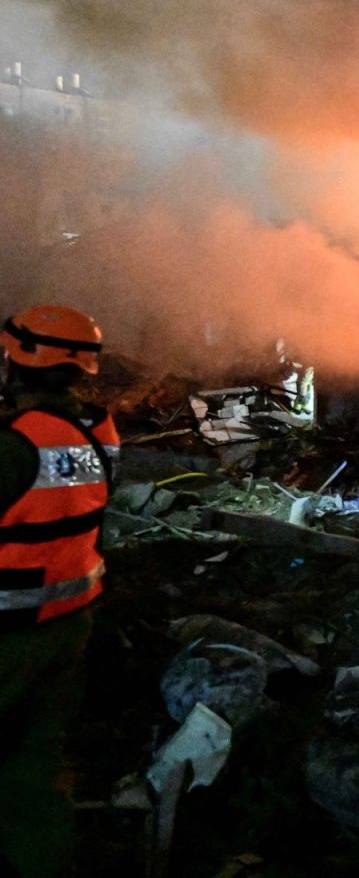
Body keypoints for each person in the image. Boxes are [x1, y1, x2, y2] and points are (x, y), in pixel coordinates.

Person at [0, 305, 118, 878]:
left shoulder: (14, 443)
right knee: (33, 764)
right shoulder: (99, 429)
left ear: (16, 359)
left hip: (8, 634)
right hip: (70, 620)